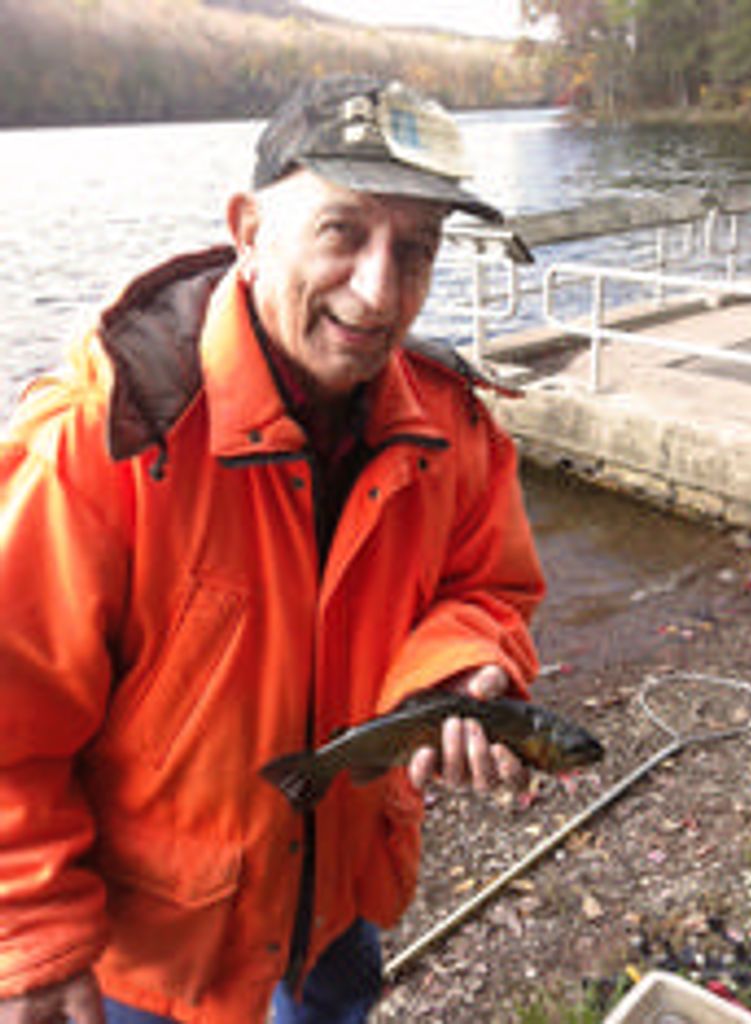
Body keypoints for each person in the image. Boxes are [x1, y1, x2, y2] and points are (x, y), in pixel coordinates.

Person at [0, 73, 545, 1024]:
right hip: (152, 961)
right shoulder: (112, 433)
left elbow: (489, 589)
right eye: (344, 231)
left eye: (415, 249)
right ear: (250, 230)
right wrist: (33, 932)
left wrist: (456, 669)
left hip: (340, 912)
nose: (381, 292)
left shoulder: (456, 428)